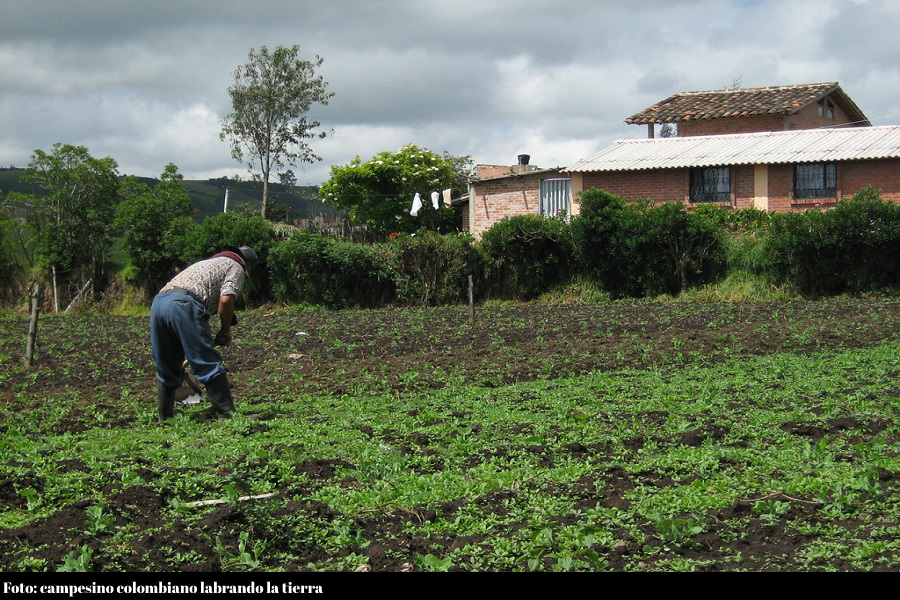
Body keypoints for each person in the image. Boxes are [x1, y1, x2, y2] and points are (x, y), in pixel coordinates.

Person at [150, 245, 257, 423]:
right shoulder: (236, 266)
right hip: (184, 304)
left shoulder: (208, 264)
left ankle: (165, 417)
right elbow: (226, 299)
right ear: (248, 265)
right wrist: (225, 329)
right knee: (205, 360)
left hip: (159, 303)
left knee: (167, 363)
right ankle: (226, 415)